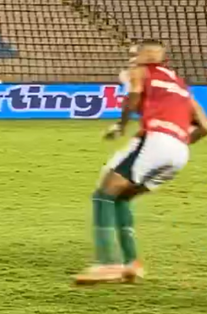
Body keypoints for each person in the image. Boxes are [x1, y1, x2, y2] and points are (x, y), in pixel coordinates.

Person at [74, 40, 207, 285]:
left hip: (154, 141)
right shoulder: (180, 86)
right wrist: (175, 141)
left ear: (146, 56)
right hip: (179, 152)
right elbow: (204, 125)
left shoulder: (142, 71)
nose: (132, 59)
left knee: (104, 194)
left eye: (134, 54)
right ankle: (132, 264)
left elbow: (134, 95)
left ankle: (107, 264)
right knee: (122, 197)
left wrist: (121, 125)